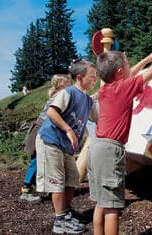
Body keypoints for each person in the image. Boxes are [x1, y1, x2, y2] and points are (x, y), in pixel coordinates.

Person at [86, 38, 152, 235]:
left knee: (101, 202)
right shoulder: (123, 88)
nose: (130, 68)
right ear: (120, 73)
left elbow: (132, 73)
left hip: (95, 148)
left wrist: (147, 58)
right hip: (111, 150)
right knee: (112, 206)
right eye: (127, 65)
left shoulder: (105, 90)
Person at [36, 60, 98, 234]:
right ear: (80, 77)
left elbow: (98, 117)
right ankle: (59, 221)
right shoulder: (68, 92)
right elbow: (51, 111)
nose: (95, 80)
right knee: (57, 180)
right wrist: (68, 129)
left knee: (73, 178)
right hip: (51, 139)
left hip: (66, 146)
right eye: (92, 77)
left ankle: (66, 211)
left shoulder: (87, 100)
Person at [18, 74, 72, 204]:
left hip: (43, 130)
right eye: (68, 83)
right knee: (36, 160)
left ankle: (39, 186)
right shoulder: (59, 96)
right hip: (40, 130)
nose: (70, 85)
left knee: (42, 160)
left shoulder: (60, 95)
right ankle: (26, 190)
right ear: (61, 85)